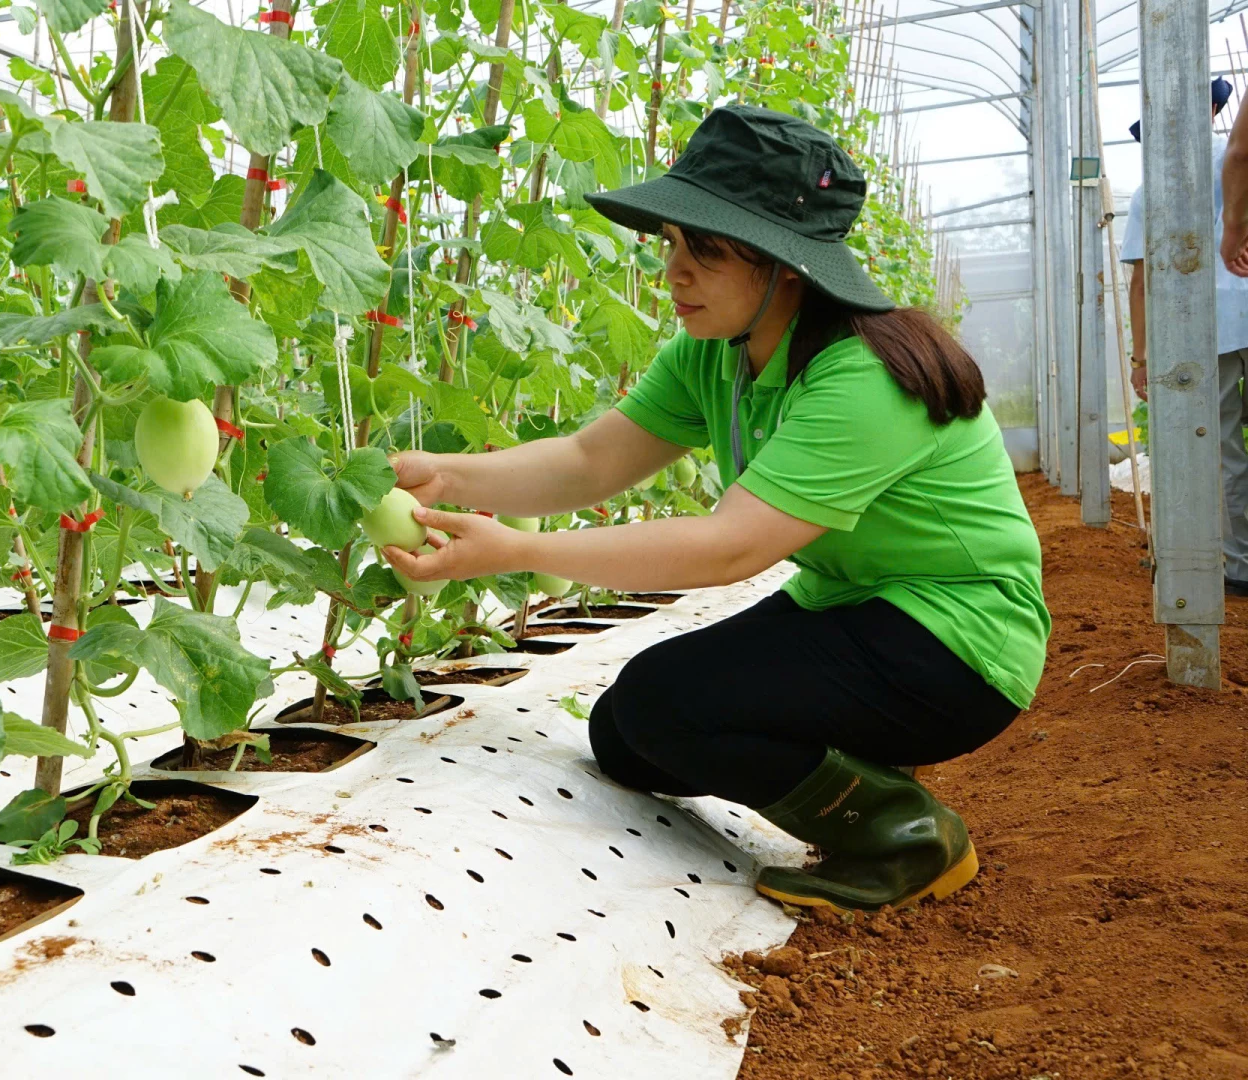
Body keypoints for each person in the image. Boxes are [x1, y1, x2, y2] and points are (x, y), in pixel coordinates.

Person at [381, 106, 1050, 916]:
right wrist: (446, 476)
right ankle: (866, 766)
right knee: (625, 735)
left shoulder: (863, 378)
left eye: (706, 249)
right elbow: (591, 461)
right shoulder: (716, 355)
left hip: (957, 646)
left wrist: (521, 553)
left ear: (785, 265)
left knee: (670, 704)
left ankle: (903, 833)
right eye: (670, 242)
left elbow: (730, 549)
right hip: (857, 609)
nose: (675, 270)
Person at [1126, 78, 1248, 595]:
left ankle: (1239, 567)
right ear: (1219, 111)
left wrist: (1141, 355)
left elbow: (1141, 280)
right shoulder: (1237, 159)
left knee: (1221, 452)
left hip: (1203, 332)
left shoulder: (1151, 188)